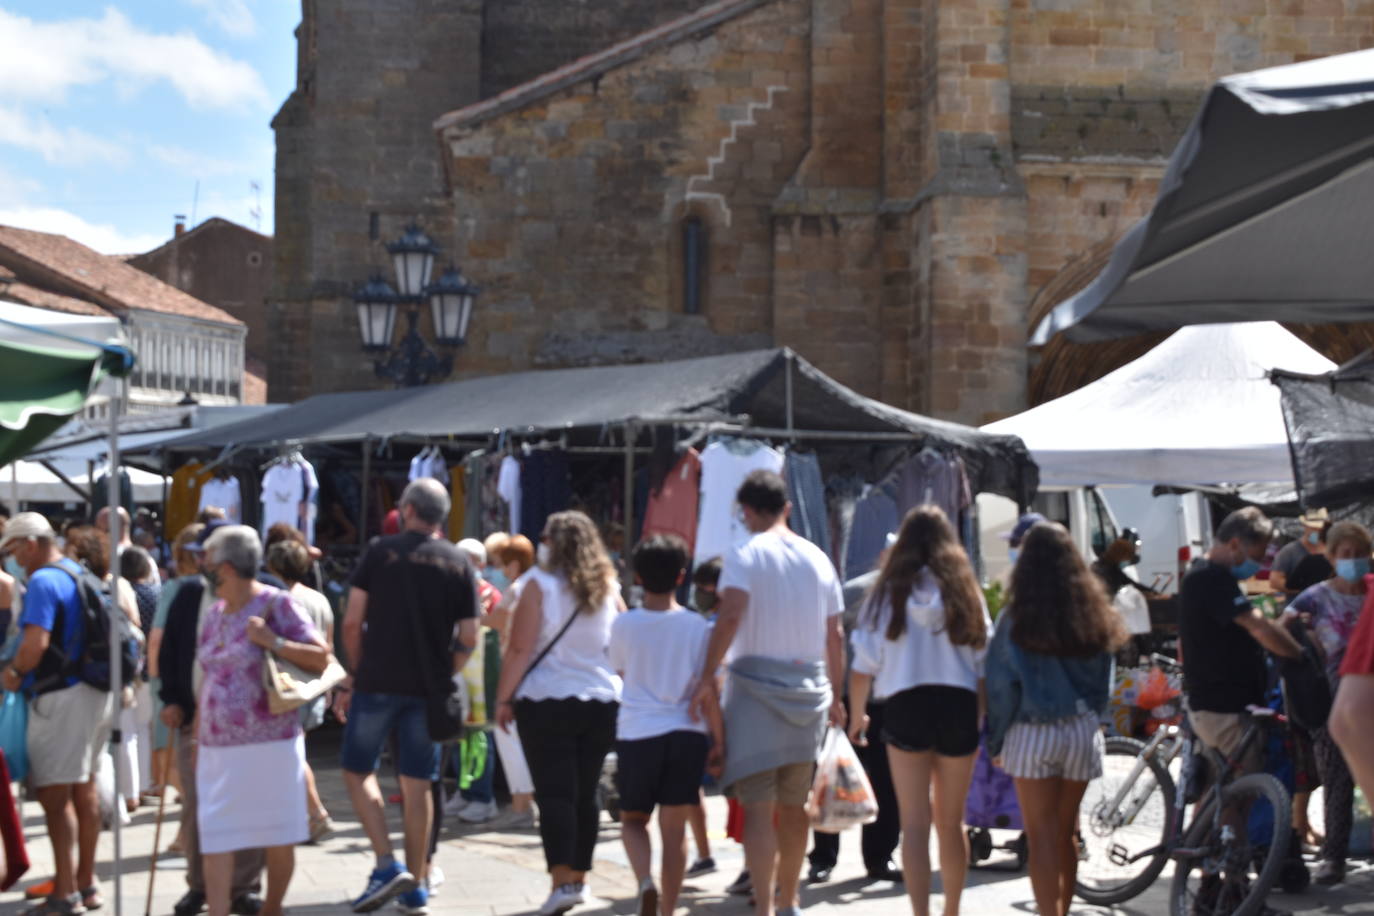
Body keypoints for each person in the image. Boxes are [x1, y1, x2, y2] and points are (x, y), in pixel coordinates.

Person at [691, 470, 845, 916]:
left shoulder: (743, 554)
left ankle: (763, 906)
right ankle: (791, 901)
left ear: (746, 511)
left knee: (758, 809)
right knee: (795, 807)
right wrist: (836, 696)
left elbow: (731, 613)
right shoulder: (818, 558)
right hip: (809, 689)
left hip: (753, 690)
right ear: (788, 507)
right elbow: (834, 634)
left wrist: (706, 675)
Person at [340, 478, 479, 915]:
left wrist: (358, 669)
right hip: (428, 688)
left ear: (410, 509)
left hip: (378, 681)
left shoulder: (381, 551)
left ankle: (385, 862)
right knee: (418, 783)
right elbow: (470, 636)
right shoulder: (459, 562)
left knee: (357, 770)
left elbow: (351, 621)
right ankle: (416, 886)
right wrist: (447, 668)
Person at [849, 507, 989, 916]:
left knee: (914, 824)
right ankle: (953, 910)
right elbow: (984, 661)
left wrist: (858, 715)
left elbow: (861, 668)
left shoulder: (888, 592)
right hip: (959, 704)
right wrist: (980, 715)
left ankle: (920, 913)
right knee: (951, 822)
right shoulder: (965, 589)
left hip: (906, 704)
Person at [986, 521, 1126, 916]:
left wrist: (997, 741)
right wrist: (1095, 717)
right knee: (1066, 832)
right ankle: (1062, 911)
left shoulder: (1016, 617)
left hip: (1031, 731)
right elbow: (1105, 675)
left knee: (1041, 836)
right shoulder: (1093, 611)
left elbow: (1000, 684)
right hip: (1082, 730)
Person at [195, 525, 332, 916]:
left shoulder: (276, 604)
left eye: (208, 560)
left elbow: (321, 657)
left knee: (277, 833)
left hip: (270, 744)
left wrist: (273, 641)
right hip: (217, 749)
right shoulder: (213, 613)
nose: (202, 567)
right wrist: (198, 738)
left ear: (227, 565)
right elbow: (207, 675)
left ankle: (272, 909)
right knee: (216, 836)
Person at [493, 510, 623, 916]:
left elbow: (520, 648)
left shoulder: (538, 584)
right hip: (601, 700)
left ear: (552, 542)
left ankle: (561, 880)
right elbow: (619, 643)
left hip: (547, 699)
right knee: (586, 794)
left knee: (554, 796)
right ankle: (580, 879)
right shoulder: (607, 584)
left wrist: (502, 698)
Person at [1179, 508, 1302, 912]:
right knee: (1239, 799)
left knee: (1218, 793)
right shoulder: (1212, 580)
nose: (1261, 560)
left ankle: (1208, 886)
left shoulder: (1207, 578)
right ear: (1235, 544)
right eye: (1259, 550)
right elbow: (1258, 627)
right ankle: (1234, 891)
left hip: (1215, 704)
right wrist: (1299, 654)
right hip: (1224, 707)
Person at [0, 513, 115, 916]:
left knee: (55, 795)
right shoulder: (76, 570)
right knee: (84, 789)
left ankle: (64, 892)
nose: (11, 558)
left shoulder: (45, 580)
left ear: (30, 543)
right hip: (96, 692)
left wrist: (13, 674)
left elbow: (35, 643)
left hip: (61, 696)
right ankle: (86, 881)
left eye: (12, 549)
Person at [160, 520, 271, 916]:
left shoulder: (266, 594)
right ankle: (199, 885)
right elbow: (172, 649)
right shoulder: (188, 593)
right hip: (197, 720)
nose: (200, 560)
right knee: (197, 807)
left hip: (255, 727)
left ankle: (243, 887)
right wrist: (171, 698)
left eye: (206, 553)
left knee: (248, 808)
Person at [609, 534, 724, 916]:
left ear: (637, 577)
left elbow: (621, 671)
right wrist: (719, 742)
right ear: (681, 576)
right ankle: (669, 910)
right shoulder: (698, 627)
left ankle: (645, 880)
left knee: (633, 821)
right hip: (687, 733)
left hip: (638, 731)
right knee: (674, 833)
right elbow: (710, 690)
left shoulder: (624, 624)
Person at [808, 532, 902, 887]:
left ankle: (881, 856)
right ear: (883, 555)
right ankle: (822, 858)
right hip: (848, 699)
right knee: (831, 777)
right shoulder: (857, 591)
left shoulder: (918, 593)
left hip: (892, 703)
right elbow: (830, 639)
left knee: (889, 786)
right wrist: (835, 697)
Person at [1284, 521, 1371, 884]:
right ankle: (1333, 857)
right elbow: (1280, 626)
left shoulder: (1371, 593)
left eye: (1360, 554)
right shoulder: (1315, 597)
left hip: (1368, 698)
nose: (1353, 561)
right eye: (1345, 554)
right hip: (1330, 700)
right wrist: (1304, 642)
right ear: (1332, 557)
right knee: (1336, 780)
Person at [265, 537, 337, 842]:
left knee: (291, 755)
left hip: (288, 688)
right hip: (315, 688)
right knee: (294, 752)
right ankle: (300, 817)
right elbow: (328, 645)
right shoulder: (318, 599)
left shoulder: (277, 600)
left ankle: (316, 813)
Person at [446, 538, 503, 824]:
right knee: (458, 733)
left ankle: (483, 797)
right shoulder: (454, 589)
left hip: (480, 676)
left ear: (479, 564)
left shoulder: (490, 594)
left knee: (478, 735)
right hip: (459, 671)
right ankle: (464, 790)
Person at [486, 534, 538, 828]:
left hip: (516, 669)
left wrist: (473, 616)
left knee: (509, 735)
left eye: (503, 565)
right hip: (531, 671)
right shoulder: (536, 587)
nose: (501, 571)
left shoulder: (519, 589)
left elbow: (497, 620)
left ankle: (521, 805)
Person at [687, 557, 725, 881]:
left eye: (704, 587)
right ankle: (704, 853)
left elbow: (710, 684)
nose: (699, 593)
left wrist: (717, 737)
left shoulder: (714, 627)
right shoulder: (711, 623)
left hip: (722, 717)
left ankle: (752, 870)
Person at [1270, 508, 1329, 596]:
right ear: (1304, 525)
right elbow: (1275, 581)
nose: (1316, 530)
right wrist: (1303, 591)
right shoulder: (1289, 551)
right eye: (1313, 527)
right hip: (1298, 605)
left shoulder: (1330, 550)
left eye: (1319, 528)